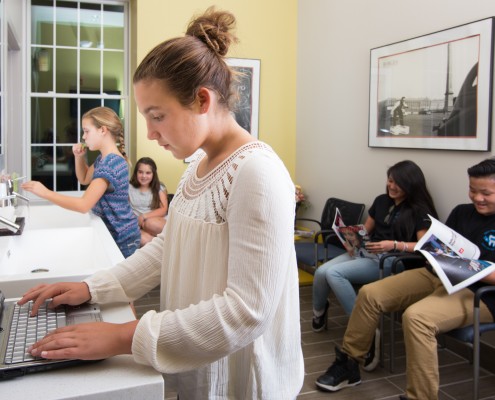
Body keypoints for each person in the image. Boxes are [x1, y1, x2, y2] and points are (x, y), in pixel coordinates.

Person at [18, 7, 304, 399]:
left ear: (202, 100)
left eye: (157, 116)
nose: (150, 133)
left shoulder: (257, 172)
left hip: (241, 378)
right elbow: (171, 248)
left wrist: (123, 336)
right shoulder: (197, 167)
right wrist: (93, 288)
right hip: (200, 363)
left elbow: (246, 311)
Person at [314, 157, 495, 400]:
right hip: (436, 274)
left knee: (416, 317)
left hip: (478, 293)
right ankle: (349, 364)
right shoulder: (462, 212)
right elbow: (438, 249)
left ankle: (420, 396)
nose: (477, 198)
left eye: (485, 193)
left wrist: (472, 268)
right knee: (369, 294)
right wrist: (438, 253)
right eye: (472, 190)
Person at [312, 160, 437, 371]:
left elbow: (425, 246)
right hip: (367, 252)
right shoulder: (381, 201)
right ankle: (319, 313)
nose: (392, 186)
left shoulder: (419, 210)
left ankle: (364, 332)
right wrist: (350, 236)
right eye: (389, 181)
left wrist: (394, 244)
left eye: (398, 183)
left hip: (392, 260)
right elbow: (366, 229)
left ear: (411, 184)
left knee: (335, 274)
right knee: (322, 272)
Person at [21, 107, 141, 258]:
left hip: (122, 237)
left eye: (86, 131)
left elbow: (84, 205)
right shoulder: (104, 159)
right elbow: (84, 178)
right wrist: (79, 157)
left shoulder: (110, 163)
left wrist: (45, 193)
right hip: (119, 232)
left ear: (102, 130)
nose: (83, 137)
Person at [129, 157, 168, 246]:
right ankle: (163, 248)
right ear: (136, 173)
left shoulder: (159, 187)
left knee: (149, 223)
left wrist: (143, 217)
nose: (144, 176)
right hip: (138, 225)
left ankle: (174, 243)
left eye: (148, 173)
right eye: (140, 172)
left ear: (153, 174)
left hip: (155, 221)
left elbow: (163, 209)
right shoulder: (129, 188)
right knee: (144, 240)